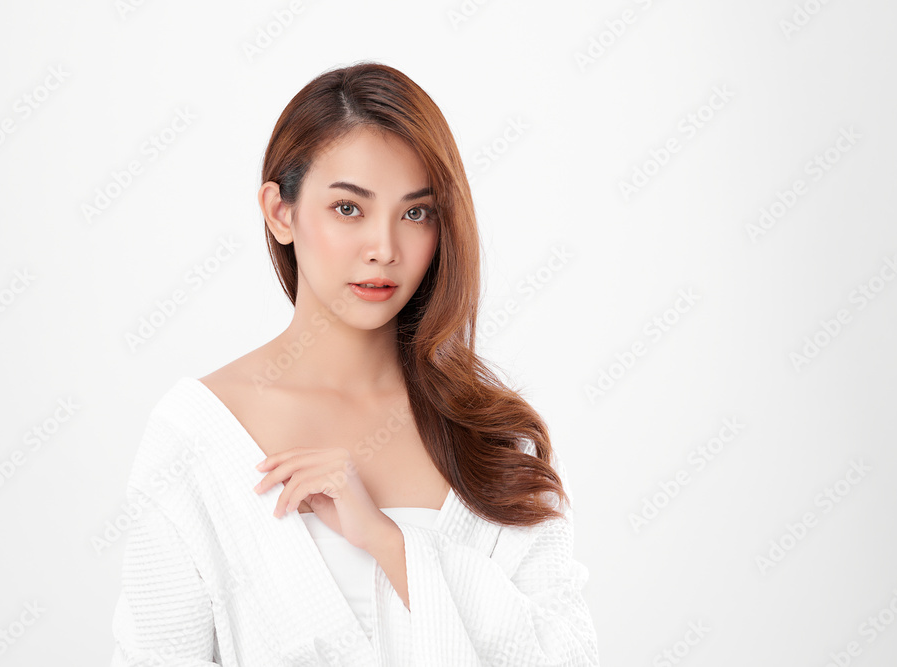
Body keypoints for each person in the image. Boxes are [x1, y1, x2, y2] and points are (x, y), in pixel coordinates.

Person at [110, 61, 600, 666]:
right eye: (348, 208)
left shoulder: (497, 439)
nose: (385, 249)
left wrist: (392, 545)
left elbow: (567, 654)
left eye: (415, 213)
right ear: (281, 213)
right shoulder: (196, 436)